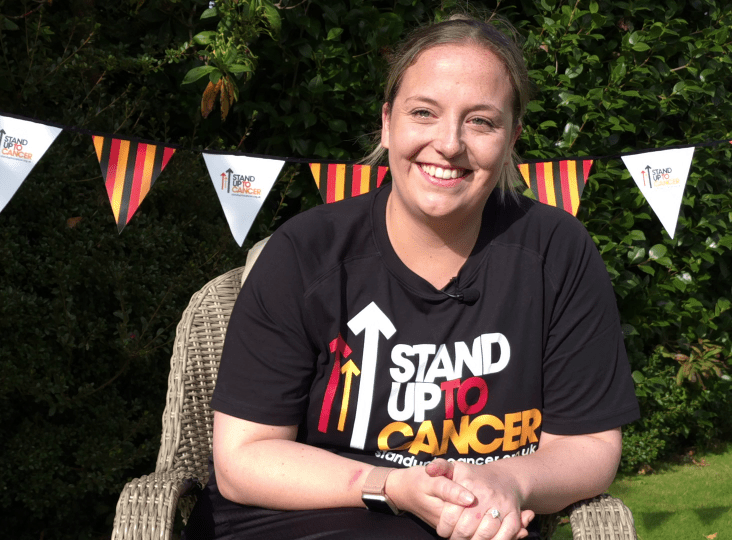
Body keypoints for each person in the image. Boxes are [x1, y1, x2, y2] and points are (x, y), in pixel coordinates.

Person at [183, 13, 640, 540]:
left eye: (481, 122)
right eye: (423, 113)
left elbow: (590, 445)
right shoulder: (305, 254)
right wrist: (389, 485)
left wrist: (506, 482)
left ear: (512, 137)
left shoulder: (557, 253)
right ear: (387, 122)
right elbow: (243, 458)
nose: (448, 144)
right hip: (298, 517)